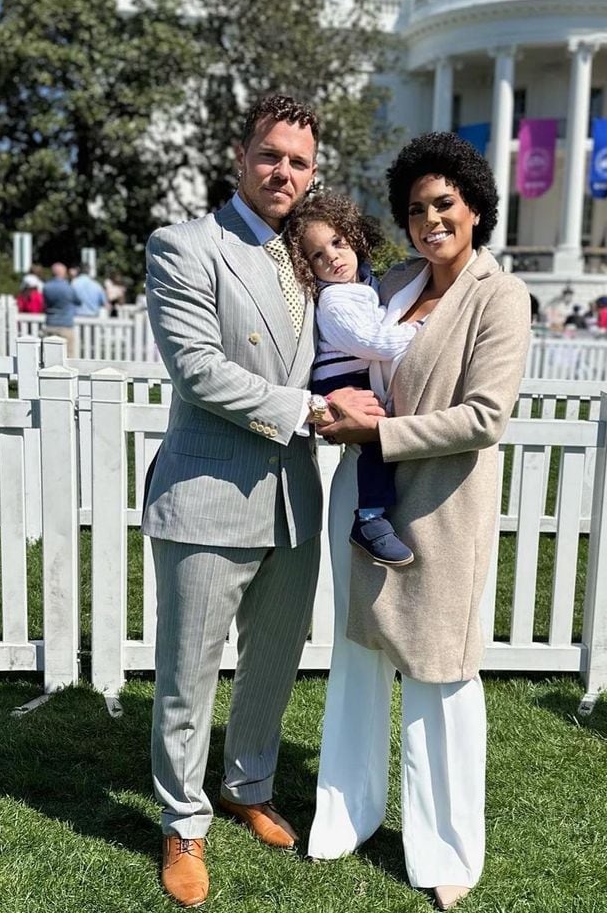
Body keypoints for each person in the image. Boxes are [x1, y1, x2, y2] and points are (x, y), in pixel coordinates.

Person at [141, 95, 381, 907]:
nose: (285, 172)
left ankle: (248, 787)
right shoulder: (185, 246)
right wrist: (315, 413)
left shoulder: (311, 259)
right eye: (272, 155)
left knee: (272, 666)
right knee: (188, 674)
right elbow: (198, 369)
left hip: (292, 501)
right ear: (241, 157)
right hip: (208, 492)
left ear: (314, 173)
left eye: (301, 162)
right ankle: (183, 821)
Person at [308, 132, 532, 911]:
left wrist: (378, 433)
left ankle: (445, 848)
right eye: (415, 209)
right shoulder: (393, 284)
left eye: (444, 204)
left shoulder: (499, 295)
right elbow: (339, 363)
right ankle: (347, 814)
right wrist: (334, 411)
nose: (430, 220)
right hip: (364, 502)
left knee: (441, 675)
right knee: (358, 659)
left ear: (474, 206)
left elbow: (485, 416)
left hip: (440, 510)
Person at [284, 192, 419, 567]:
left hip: (357, 375)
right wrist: (422, 331)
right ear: (306, 265)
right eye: (317, 255)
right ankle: (370, 519)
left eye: (338, 243)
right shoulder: (334, 302)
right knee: (376, 437)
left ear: (353, 238)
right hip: (339, 384)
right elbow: (374, 342)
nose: (332, 257)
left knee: (379, 437)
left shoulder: (363, 287)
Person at [42, 263, 81, 358]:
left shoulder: (46, 287)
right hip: (65, 325)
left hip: (50, 324)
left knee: (49, 356)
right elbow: (78, 301)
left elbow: (45, 302)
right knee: (68, 356)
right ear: (63, 273)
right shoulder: (68, 287)